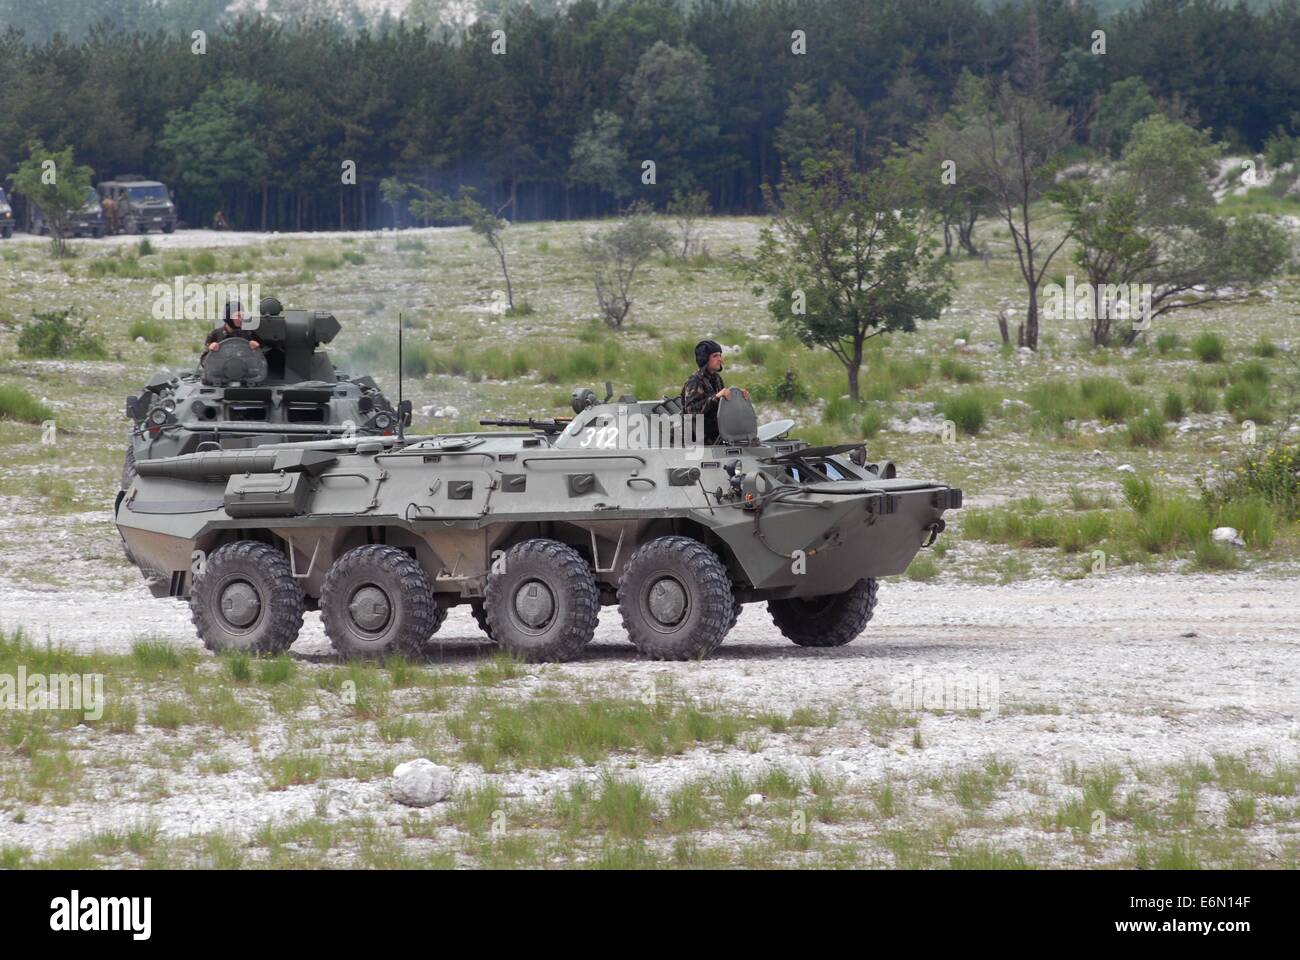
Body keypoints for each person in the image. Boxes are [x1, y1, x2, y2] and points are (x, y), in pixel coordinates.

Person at [682, 339, 748, 444]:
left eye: (720, 355)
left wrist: (738, 396)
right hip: (698, 438)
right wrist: (716, 398)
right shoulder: (695, 381)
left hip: (716, 435)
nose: (720, 359)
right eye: (715, 356)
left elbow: (723, 405)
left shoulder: (716, 378)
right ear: (705, 359)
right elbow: (691, 411)